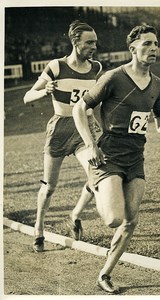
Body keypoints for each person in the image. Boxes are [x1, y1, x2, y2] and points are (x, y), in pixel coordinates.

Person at [73, 23, 160, 294]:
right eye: (147, 44)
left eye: (156, 45)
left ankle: (105, 274)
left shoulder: (158, 85)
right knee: (114, 219)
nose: (153, 49)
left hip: (135, 159)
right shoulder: (114, 77)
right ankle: (94, 185)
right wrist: (90, 145)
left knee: (130, 221)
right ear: (132, 48)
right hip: (109, 155)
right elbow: (80, 108)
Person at [23, 20, 102, 252]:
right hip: (59, 129)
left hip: (83, 130)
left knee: (97, 174)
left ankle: (75, 216)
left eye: (95, 42)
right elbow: (28, 96)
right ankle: (39, 229)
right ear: (75, 42)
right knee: (49, 186)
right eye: (89, 42)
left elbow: (94, 102)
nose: (93, 46)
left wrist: (95, 121)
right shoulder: (56, 66)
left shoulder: (96, 68)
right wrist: (43, 92)